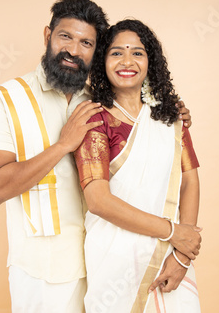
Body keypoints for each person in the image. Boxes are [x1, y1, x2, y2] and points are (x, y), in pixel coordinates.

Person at [0, 0, 196, 313]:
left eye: (86, 43)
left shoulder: (100, 100)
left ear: (96, 53)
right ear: (47, 36)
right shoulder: (8, 100)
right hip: (45, 271)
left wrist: (173, 115)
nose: (73, 50)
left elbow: (143, 126)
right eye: (65, 36)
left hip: (108, 259)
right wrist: (62, 146)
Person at [74, 19, 201, 312]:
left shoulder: (170, 118)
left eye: (137, 53)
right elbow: (98, 201)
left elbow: (190, 181)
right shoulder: (95, 119)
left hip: (170, 256)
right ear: (103, 61)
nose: (127, 61)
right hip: (115, 259)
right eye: (116, 53)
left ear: (150, 61)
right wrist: (174, 232)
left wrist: (183, 255)